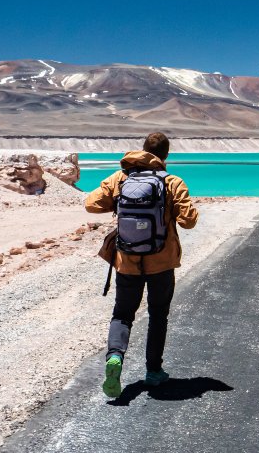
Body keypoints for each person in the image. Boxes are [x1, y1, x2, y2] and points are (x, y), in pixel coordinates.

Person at [85, 132, 199, 397]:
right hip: (162, 262)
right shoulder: (172, 182)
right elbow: (189, 221)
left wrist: (119, 200)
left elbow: (91, 204)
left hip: (127, 262)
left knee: (123, 314)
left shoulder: (120, 178)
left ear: (143, 150)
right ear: (166, 155)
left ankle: (115, 357)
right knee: (158, 316)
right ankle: (153, 372)